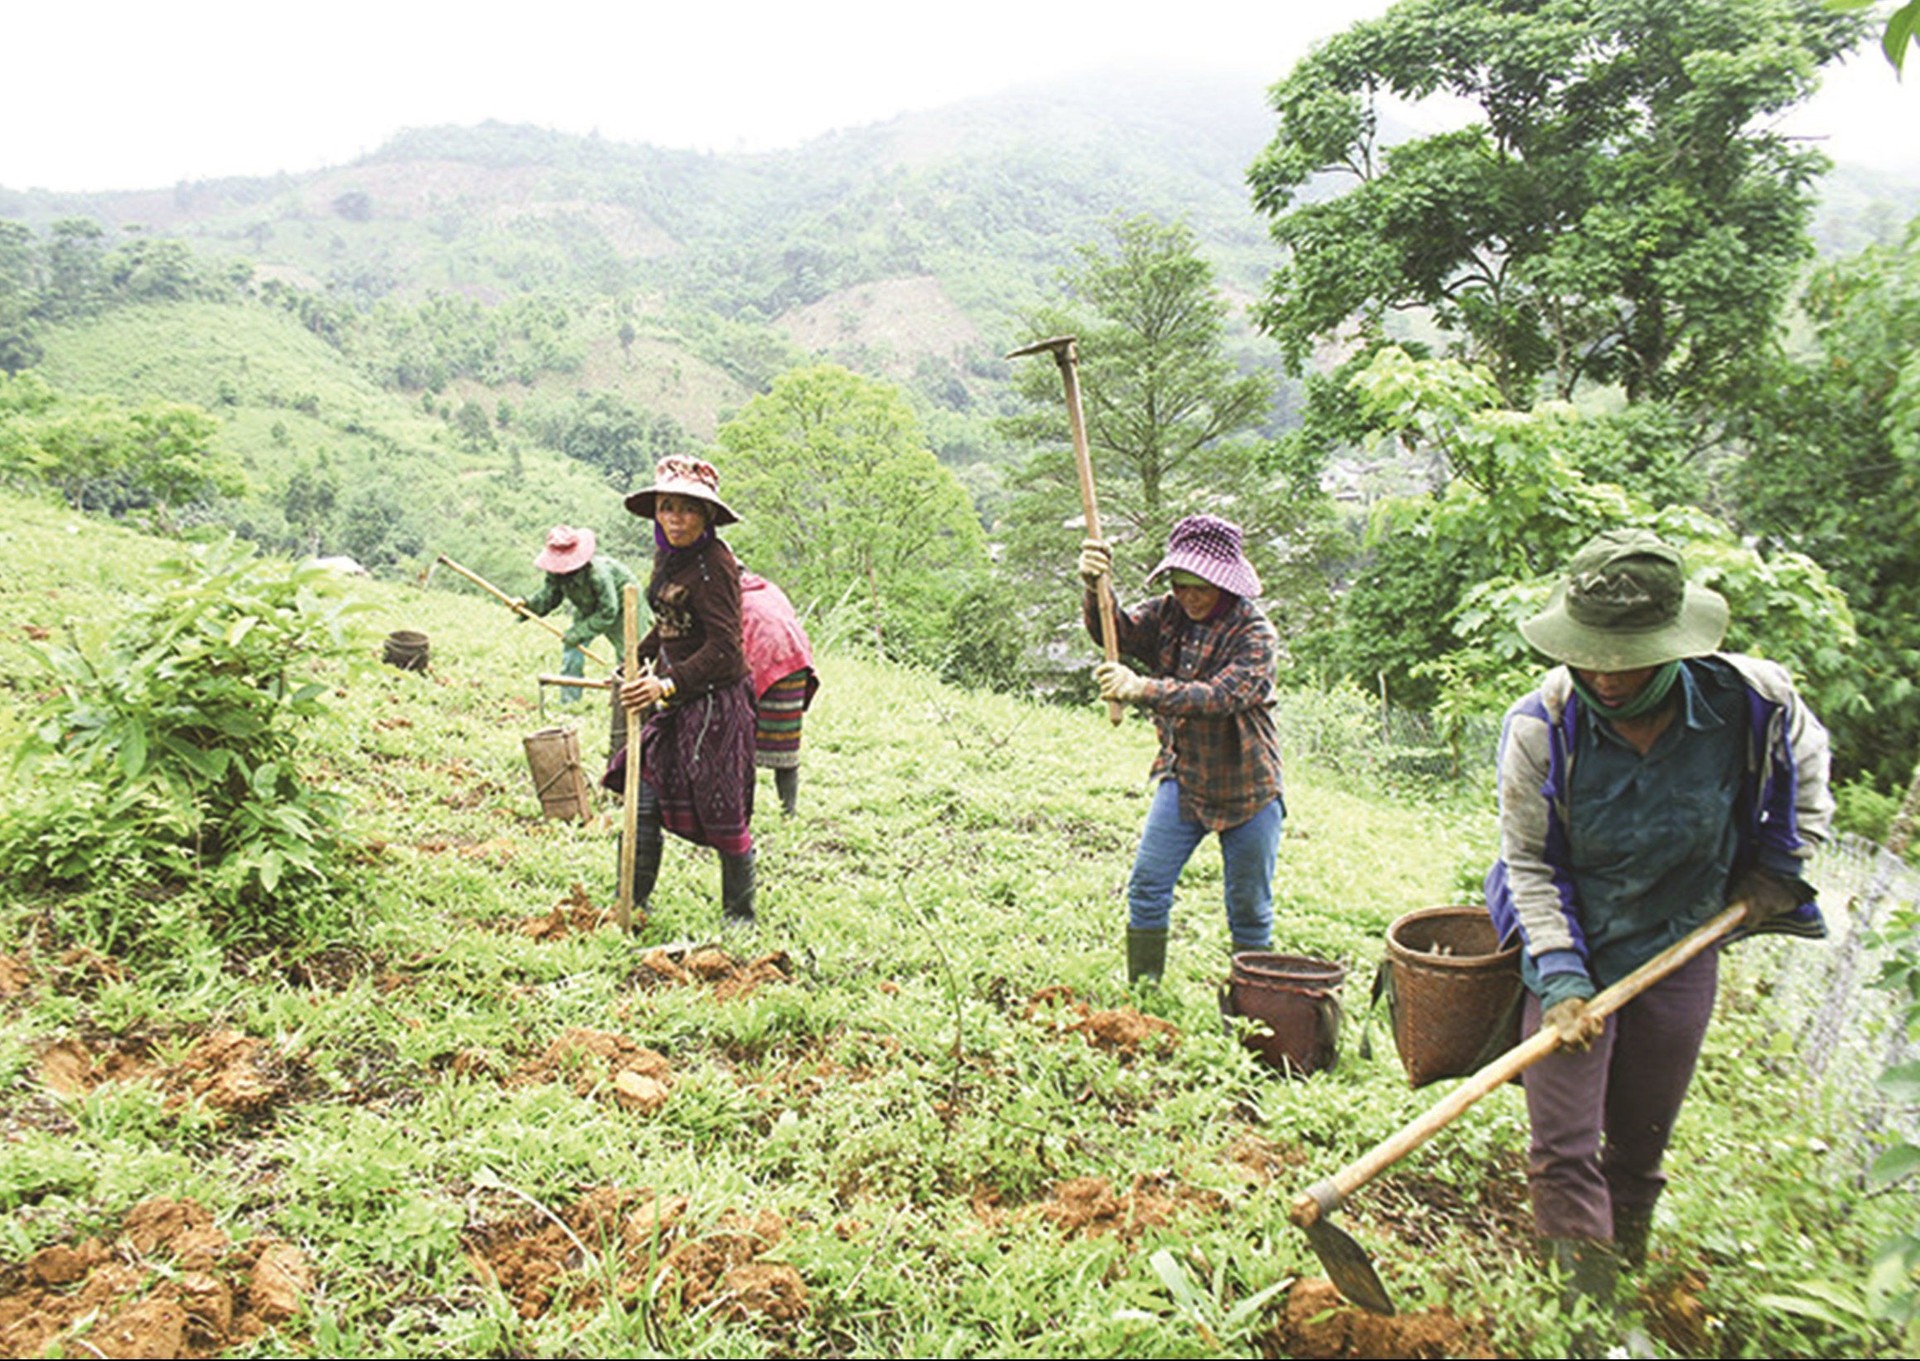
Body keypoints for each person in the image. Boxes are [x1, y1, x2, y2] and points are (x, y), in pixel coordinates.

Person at [1485, 528, 1832, 1313]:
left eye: (1628, 655)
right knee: (1564, 1142)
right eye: (1589, 653)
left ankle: (1628, 1252)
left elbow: (1808, 783)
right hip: (1570, 938)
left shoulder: (1753, 702)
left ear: (1675, 642)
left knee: (1639, 1139)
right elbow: (1531, 866)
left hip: (1683, 938)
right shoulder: (1542, 725)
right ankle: (1584, 1315)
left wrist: (1783, 870)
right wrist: (1567, 983)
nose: (1605, 675)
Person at [1078, 513, 1285, 984]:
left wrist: (1142, 689)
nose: (1188, 596)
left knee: (1249, 909)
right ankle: (1145, 997)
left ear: (1225, 584)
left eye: (1201, 587)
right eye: (1179, 583)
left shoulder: (1254, 634)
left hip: (1249, 789)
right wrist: (1095, 588)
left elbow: (1221, 696)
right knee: (1148, 886)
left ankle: (1252, 1008)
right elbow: (1120, 633)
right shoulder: (1167, 613)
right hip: (1185, 777)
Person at [603, 456, 759, 925]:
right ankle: (631, 902)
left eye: (689, 509)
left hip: (714, 707)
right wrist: (636, 661)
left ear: (708, 516)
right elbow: (670, 623)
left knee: (723, 809)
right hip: (671, 699)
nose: (676, 519)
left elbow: (727, 651)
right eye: (667, 507)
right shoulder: (669, 555)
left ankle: (740, 917)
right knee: (643, 793)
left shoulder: (714, 566)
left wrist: (664, 685)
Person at [515, 525, 639, 702]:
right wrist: (526, 604)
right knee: (572, 647)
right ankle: (570, 701)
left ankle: (629, 702)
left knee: (632, 655)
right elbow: (549, 597)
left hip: (622, 606)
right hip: (587, 608)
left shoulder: (599, 575)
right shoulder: (556, 573)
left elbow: (608, 612)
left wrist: (578, 632)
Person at [740, 570, 819, 817]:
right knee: (786, 742)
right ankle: (788, 812)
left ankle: (745, 813)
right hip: (795, 659)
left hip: (771, 659)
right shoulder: (769, 587)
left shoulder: (732, 596)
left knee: (742, 742)